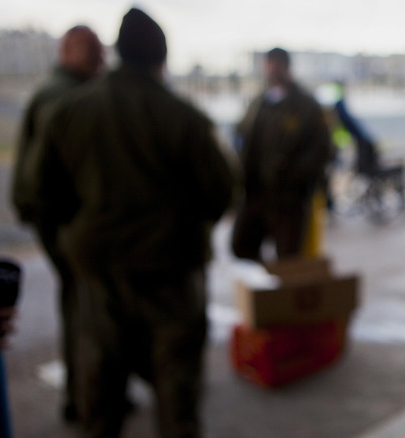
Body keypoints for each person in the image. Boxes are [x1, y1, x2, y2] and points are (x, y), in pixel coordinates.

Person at [33, 8, 235, 438]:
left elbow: (36, 195)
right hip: (172, 281)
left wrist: (74, 242)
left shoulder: (69, 112)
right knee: (176, 398)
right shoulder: (186, 119)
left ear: (116, 53)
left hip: (99, 279)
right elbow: (220, 194)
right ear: (161, 58)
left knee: (100, 399)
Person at [9, 24, 104, 422]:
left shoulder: (51, 91)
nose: (101, 62)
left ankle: (83, 394)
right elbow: (51, 174)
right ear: (72, 52)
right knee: (83, 307)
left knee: (77, 302)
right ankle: (84, 401)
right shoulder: (68, 98)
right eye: (95, 54)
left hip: (51, 217)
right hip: (63, 220)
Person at [231, 47, 332, 262]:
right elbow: (242, 137)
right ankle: (263, 287)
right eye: (269, 65)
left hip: (289, 200)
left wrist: (293, 175)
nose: (272, 71)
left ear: (287, 68)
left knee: (288, 259)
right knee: (241, 246)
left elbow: (322, 150)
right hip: (256, 196)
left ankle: (279, 292)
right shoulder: (258, 104)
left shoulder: (306, 106)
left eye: (277, 65)